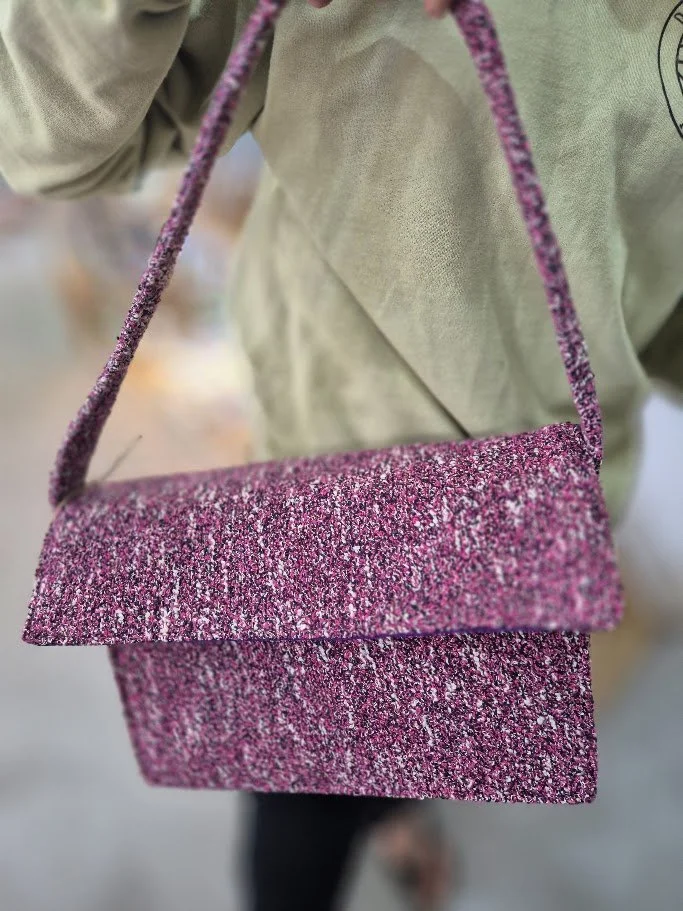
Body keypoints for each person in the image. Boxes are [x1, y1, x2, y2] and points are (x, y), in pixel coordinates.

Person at [2, 0, 682, 909]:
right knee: (299, 816)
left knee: (437, 728)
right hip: (320, 509)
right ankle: (389, 813)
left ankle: (399, 810)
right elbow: (54, 141)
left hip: (532, 525)